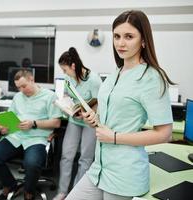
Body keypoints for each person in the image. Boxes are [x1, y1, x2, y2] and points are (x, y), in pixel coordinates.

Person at [66, 10, 174, 200]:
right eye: (117, 36)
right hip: (99, 168)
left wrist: (114, 137)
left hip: (124, 174)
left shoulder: (152, 78)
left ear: (143, 40)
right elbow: (114, 115)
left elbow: (164, 133)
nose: (120, 43)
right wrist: (95, 118)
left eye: (129, 36)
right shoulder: (116, 73)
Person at [0, 69, 62, 200]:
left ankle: (29, 190)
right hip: (16, 136)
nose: (21, 90)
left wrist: (33, 123)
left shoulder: (50, 96)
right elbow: (10, 118)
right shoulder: (18, 97)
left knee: (31, 163)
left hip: (36, 138)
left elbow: (56, 123)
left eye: (24, 86)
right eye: (18, 87)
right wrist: (5, 128)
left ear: (32, 79)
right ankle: (10, 185)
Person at [53, 47, 101, 200]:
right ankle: (62, 191)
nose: (64, 73)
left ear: (73, 66)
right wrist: (65, 105)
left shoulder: (94, 80)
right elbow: (67, 95)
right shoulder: (68, 79)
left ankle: (76, 194)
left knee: (85, 159)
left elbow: (99, 102)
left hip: (89, 123)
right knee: (66, 156)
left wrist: (87, 113)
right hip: (74, 120)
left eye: (65, 70)